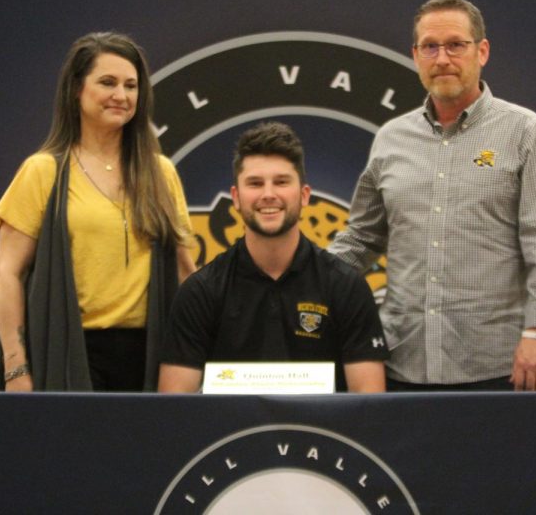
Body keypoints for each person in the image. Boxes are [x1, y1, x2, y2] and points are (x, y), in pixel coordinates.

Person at [329, 0, 536, 392]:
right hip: (402, 362)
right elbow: (361, 237)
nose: (442, 58)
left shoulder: (525, 133)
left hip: (496, 366)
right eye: (429, 46)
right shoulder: (391, 139)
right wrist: (297, 283)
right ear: (415, 56)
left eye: (455, 45)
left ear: (482, 51)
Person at [0, 31, 196, 392]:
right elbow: (8, 276)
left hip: (150, 356)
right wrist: (16, 369)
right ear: (76, 90)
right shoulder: (42, 171)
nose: (121, 95)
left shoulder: (162, 173)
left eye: (131, 86)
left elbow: (185, 271)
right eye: (108, 83)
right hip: (65, 351)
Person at [158, 122, 388, 393]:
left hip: (321, 436)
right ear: (236, 197)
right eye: (255, 183)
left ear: (304, 195)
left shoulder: (346, 286)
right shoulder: (200, 291)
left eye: (281, 182)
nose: (268, 195)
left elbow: (370, 405)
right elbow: (175, 409)